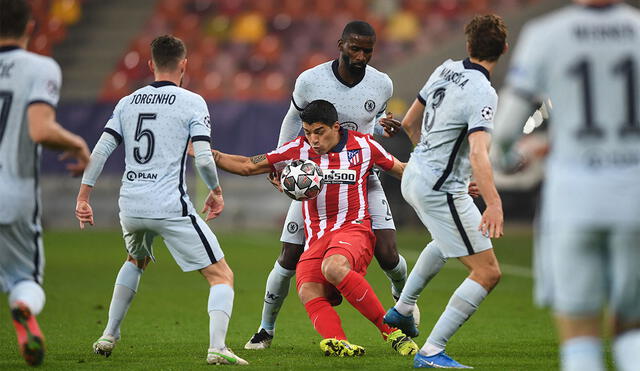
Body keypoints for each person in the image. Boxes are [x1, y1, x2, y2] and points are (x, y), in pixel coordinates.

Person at [245, 20, 419, 351]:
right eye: (355, 48)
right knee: (288, 256)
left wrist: (385, 129)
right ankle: (265, 329)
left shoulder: (382, 83)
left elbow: (373, 127)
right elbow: (293, 120)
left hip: (360, 178)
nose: (362, 56)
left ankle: (403, 303)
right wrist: (283, 165)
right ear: (340, 45)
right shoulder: (311, 80)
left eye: (368, 50)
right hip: (314, 180)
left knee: (388, 253)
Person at [74, 35, 248, 366]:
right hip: (169, 205)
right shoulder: (192, 101)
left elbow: (101, 150)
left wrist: (84, 196)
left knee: (134, 260)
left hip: (131, 204)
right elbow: (204, 159)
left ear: (151, 64)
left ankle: (108, 334)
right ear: (184, 64)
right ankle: (217, 347)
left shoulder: (127, 102)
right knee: (221, 275)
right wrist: (216, 191)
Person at [493, 2, 640, 370]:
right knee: (632, 327)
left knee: (579, 331)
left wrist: (512, 158)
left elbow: (505, 133)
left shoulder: (547, 33)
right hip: (634, 193)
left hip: (574, 197)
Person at [214, 99, 418, 357]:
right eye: (308, 132)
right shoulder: (297, 149)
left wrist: (447, 181)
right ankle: (338, 341)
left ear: (335, 127)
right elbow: (248, 165)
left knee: (333, 267)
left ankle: (393, 334)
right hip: (317, 237)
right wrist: (212, 155)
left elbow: (401, 169)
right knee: (307, 288)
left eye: (319, 132)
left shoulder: (364, 146)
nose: (313, 140)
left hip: (353, 230)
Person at [383, 14, 507, 369]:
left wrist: (435, 168)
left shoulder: (445, 68)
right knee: (487, 271)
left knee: (443, 240)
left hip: (414, 175)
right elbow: (480, 152)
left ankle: (403, 309)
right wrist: (493, 202)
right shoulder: (484, 92)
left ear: (467, 45)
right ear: (504, 50)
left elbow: (408, 122)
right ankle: (432, 352)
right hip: (438, 187)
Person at [0, 0, 90, 366]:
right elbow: (40, 128)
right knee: (26, 279)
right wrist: (77, 144)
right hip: (13, 194)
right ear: (30, 28)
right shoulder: (39, 67)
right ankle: (23, 306)